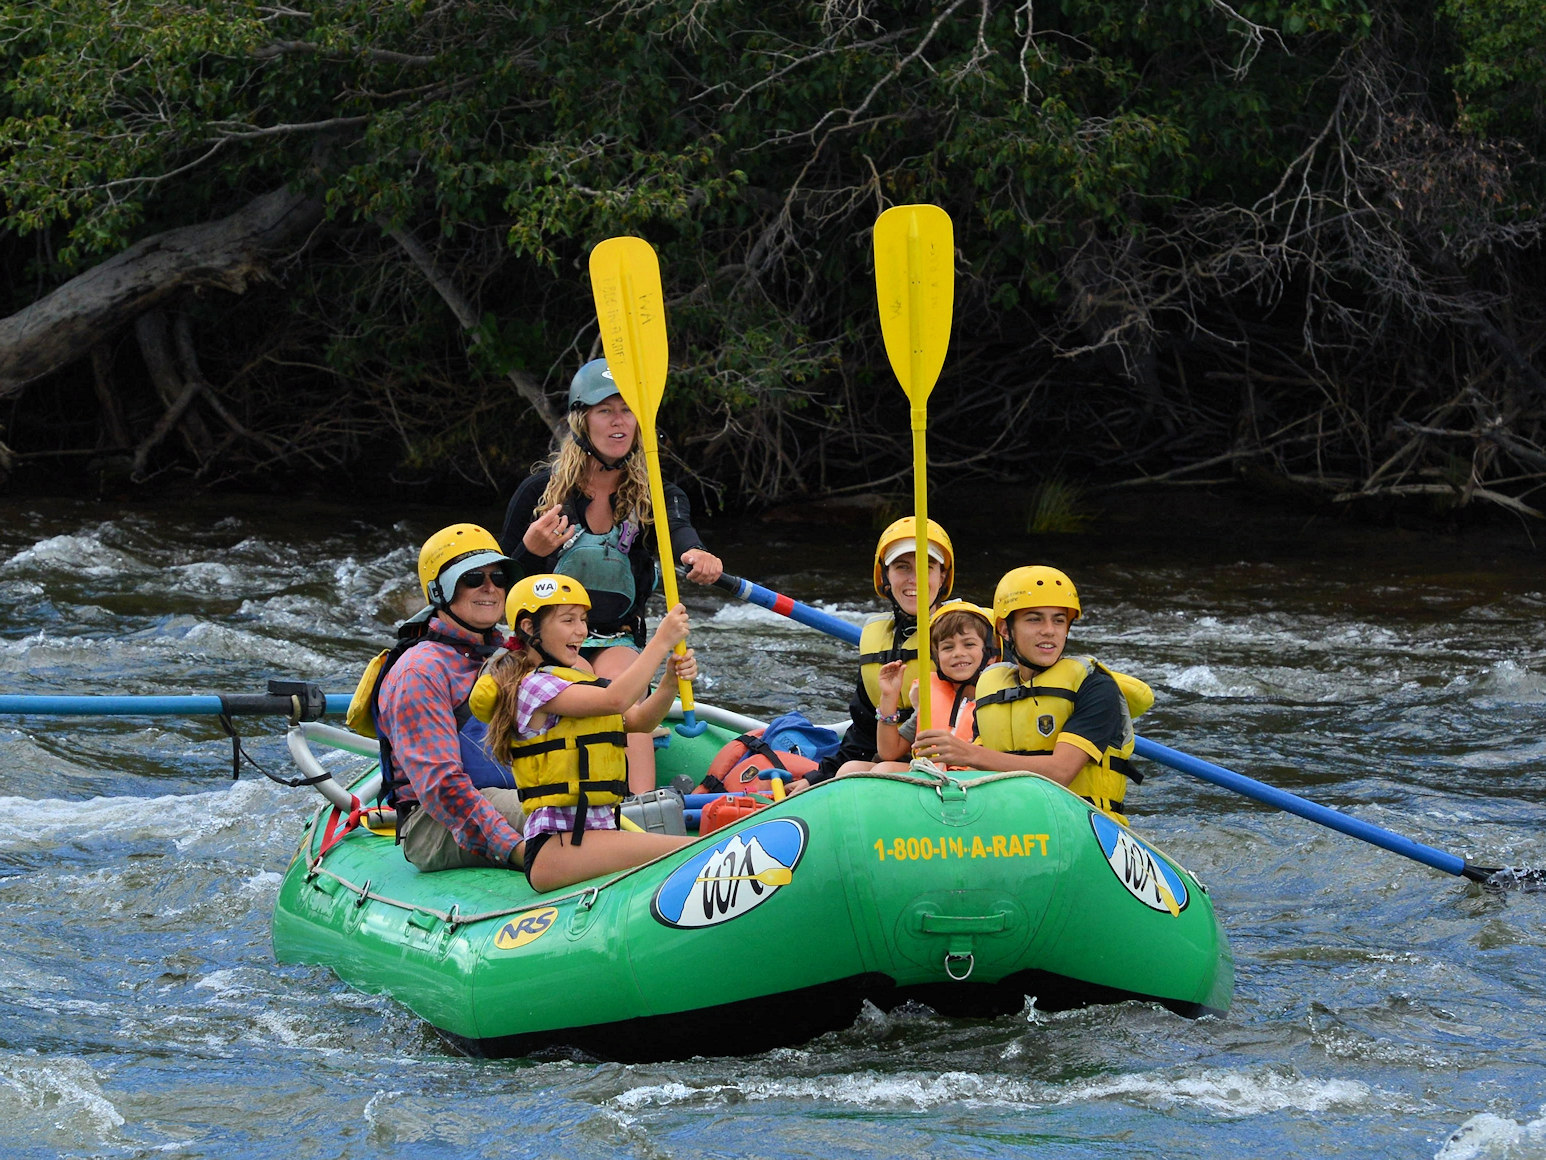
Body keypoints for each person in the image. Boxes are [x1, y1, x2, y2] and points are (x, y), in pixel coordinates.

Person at [499, 357, 722, 792]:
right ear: (582, 422)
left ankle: (640, 807)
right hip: (551, 637)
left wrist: (696, 552)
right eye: (605, 411)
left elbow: (677, 531)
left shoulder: (654, 492)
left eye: (627, 410)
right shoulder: (540, 494)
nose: (619, 422)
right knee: (584, 683)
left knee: (624, 683)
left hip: (618, 632)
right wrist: (530, 551)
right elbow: (502, 584)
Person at [473, 573, 696, 893]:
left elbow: (639, 723)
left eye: (583, 619)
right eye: (567, 620)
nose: (581, 630)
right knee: (692, 851)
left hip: (592, 835)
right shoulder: (534, 686)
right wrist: (660, 641)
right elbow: (616, 698)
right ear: (528, 627)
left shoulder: (575, 679)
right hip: (557, 846)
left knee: (688, 850)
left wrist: (669, 683)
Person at [910, 565, 1153, 825]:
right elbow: (979, 773)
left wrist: (968, 753)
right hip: (1013, 823)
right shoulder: (991, 688)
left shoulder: (1094, 686)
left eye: (1059, 620)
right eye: (1034, 619)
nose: (1049, 630)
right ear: (1005, 629)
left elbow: (1061, 772)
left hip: (1082, 825)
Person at [365, 523, 527, 872]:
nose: (490, 587)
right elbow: (443, 788)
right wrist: (516, 849)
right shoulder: (419, 672)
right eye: (472, 578)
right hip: (434, 823)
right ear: (440, 590)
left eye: (498, 577)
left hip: (512, 790)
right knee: (573, 819)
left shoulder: (509, 654)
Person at [794, 518, 954, 789]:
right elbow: (863, 734)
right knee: (850, 769)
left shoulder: (966, 635)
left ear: (943, 577)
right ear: (885, 577)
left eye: (927, 568)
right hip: (899, 757)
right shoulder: (880, 639)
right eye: (902, 567)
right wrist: (817, 779)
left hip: (955, 767)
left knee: (885, 768)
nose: (913, 579)